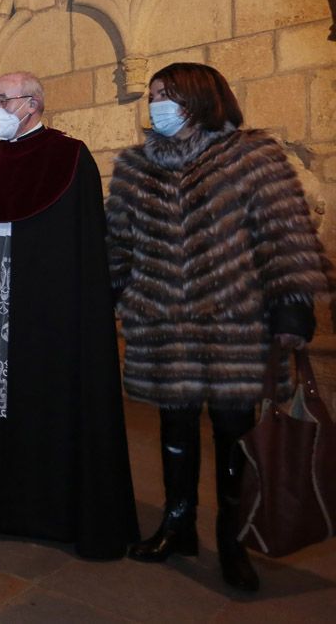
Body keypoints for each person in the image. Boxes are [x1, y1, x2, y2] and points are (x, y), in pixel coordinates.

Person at [108, 62, 329, 591]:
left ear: (199, 98)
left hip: (236, 324)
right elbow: (117, 244)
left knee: (235, 430)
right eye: (153, 95)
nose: (155, 103)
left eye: (166, 94)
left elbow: (285, 236)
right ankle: (177, 523)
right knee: (176, 427)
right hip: (165, 323)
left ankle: (233, 538)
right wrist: (110, 297)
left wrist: (293, 312)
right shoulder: (137, 167)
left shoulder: (251, 157)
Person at [0, 71, 139, 559]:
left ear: (34, 103)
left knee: (36, 398)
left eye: (5, 98)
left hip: (44, 314)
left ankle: (39, 506)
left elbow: (78, 245)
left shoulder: (68, 156)